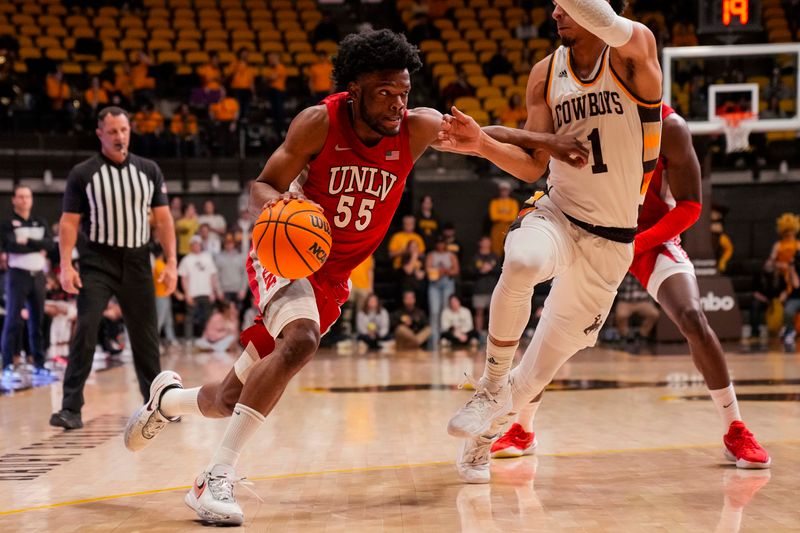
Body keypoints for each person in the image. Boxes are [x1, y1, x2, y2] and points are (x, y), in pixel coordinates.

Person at [122, 30, 587, 526]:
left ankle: (167, 401)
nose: (397, 104)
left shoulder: (414, 127)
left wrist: (549, 141)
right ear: (355, 87)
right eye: (385, 92)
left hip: (334, 276)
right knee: (300, 342)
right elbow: (262, 184)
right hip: (287, 254)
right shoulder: (319, 122)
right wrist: (280, 207)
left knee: (232, 397)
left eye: (404, 92)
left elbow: (486, 133)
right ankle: (214, 477)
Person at [442, 0, 668, 483]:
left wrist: (491, 134)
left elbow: (610, 23)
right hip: (560, 212)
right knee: (522, 259)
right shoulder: (545, 73)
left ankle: (485, 438)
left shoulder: (634, 53)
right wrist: (482, 143)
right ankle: (489, 384)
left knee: (539, 373)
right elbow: (530, 164)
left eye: (566, 6)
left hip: (612, 239)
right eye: (554, 7)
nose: (556, 14)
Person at [50, 106, 177, 430]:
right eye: (112, 132)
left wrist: (172, 262)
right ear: (100, 135)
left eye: (124, 130)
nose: (120, 137)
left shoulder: (149, 170)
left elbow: (163, 220)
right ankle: (70, 408)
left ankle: (158, 405)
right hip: (97, 261)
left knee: (146, 337)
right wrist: (66, 265)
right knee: (87, 327)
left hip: (137, 260)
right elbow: (68, 223)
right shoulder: (83, 173)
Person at [1, 186, 53, 376]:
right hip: (18, 275)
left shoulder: (40, 221)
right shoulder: (7, 224)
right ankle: (7, 364)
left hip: (37, 275)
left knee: (37, 321)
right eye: (20, 197)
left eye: (27, 197)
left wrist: (28, 241)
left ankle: (38, 363)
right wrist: (37, 246)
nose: (24, 200)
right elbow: (10, 246)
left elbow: (50, 244)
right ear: (14, 200)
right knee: (13, 320)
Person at [178, 235, 220, 342]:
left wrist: (213, 292)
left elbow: (212, 276)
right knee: (189, 318)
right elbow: (184, 278)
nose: (196, 246)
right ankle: (188, 340)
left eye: (198, 244)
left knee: (208, 317)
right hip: (193, 293)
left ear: (201, 245)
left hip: (206, 292)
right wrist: (187, 294)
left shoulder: (207, 257)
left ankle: (207, 338)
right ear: (191, 246)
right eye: (194, 244)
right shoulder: (186, 259)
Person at [426, 235, 460, 348]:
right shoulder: (431, 255)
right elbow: (428, 270)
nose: (440, 245)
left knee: (446, 310)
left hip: (447, 283)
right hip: (434, 284)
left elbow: (456, 270)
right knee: (435, 311)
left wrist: (446, 271)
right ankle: (434, 339)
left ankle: (445, 338)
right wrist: (437, 272)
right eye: (438, 243)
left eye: (442, 243)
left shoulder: (451, 255)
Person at [613, 272, 659, 349]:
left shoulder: (645, 274)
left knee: (654, 314)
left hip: (642, 302)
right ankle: (625, 336)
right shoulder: (624, 274)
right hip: (626, 301)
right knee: (620, 315)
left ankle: (642, 335)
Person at [469, 236, 499, 334]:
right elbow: (470, 272)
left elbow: (501, 270)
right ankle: (479, 334)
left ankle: (493, 333)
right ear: (480, 243)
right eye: (484, 241)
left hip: (493, 288)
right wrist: (481, 271)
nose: (486, 244)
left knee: (493, 313)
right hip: (479, 288)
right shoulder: (475, 257)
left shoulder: (495, 256)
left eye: (487, 241)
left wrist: (491, 269)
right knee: (479, 312)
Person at [215, 233, 248, 309]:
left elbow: (245, 275)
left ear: (234, 244)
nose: (228, 245)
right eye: (226, 243)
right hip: (224, 291)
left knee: (236, 314)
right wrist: (219, 290)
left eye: (230, 243)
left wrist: (243, 289)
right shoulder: (219, 258)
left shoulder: (240, 257)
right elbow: (216, 276)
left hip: (238, 290)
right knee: (225, 314)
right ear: (224, 244)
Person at [487, 181, 519, 257]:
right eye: (502, 190)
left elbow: (513, 217)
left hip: (509, 228)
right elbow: (493, 217)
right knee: (496, 249)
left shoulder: (513, 202)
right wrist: (506, 215)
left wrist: (501, 214)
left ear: (509, 191)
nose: (504, 192)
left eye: (506, 190)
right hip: (497, 228)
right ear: (499, 191)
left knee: (510, 248)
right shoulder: (494, 202)